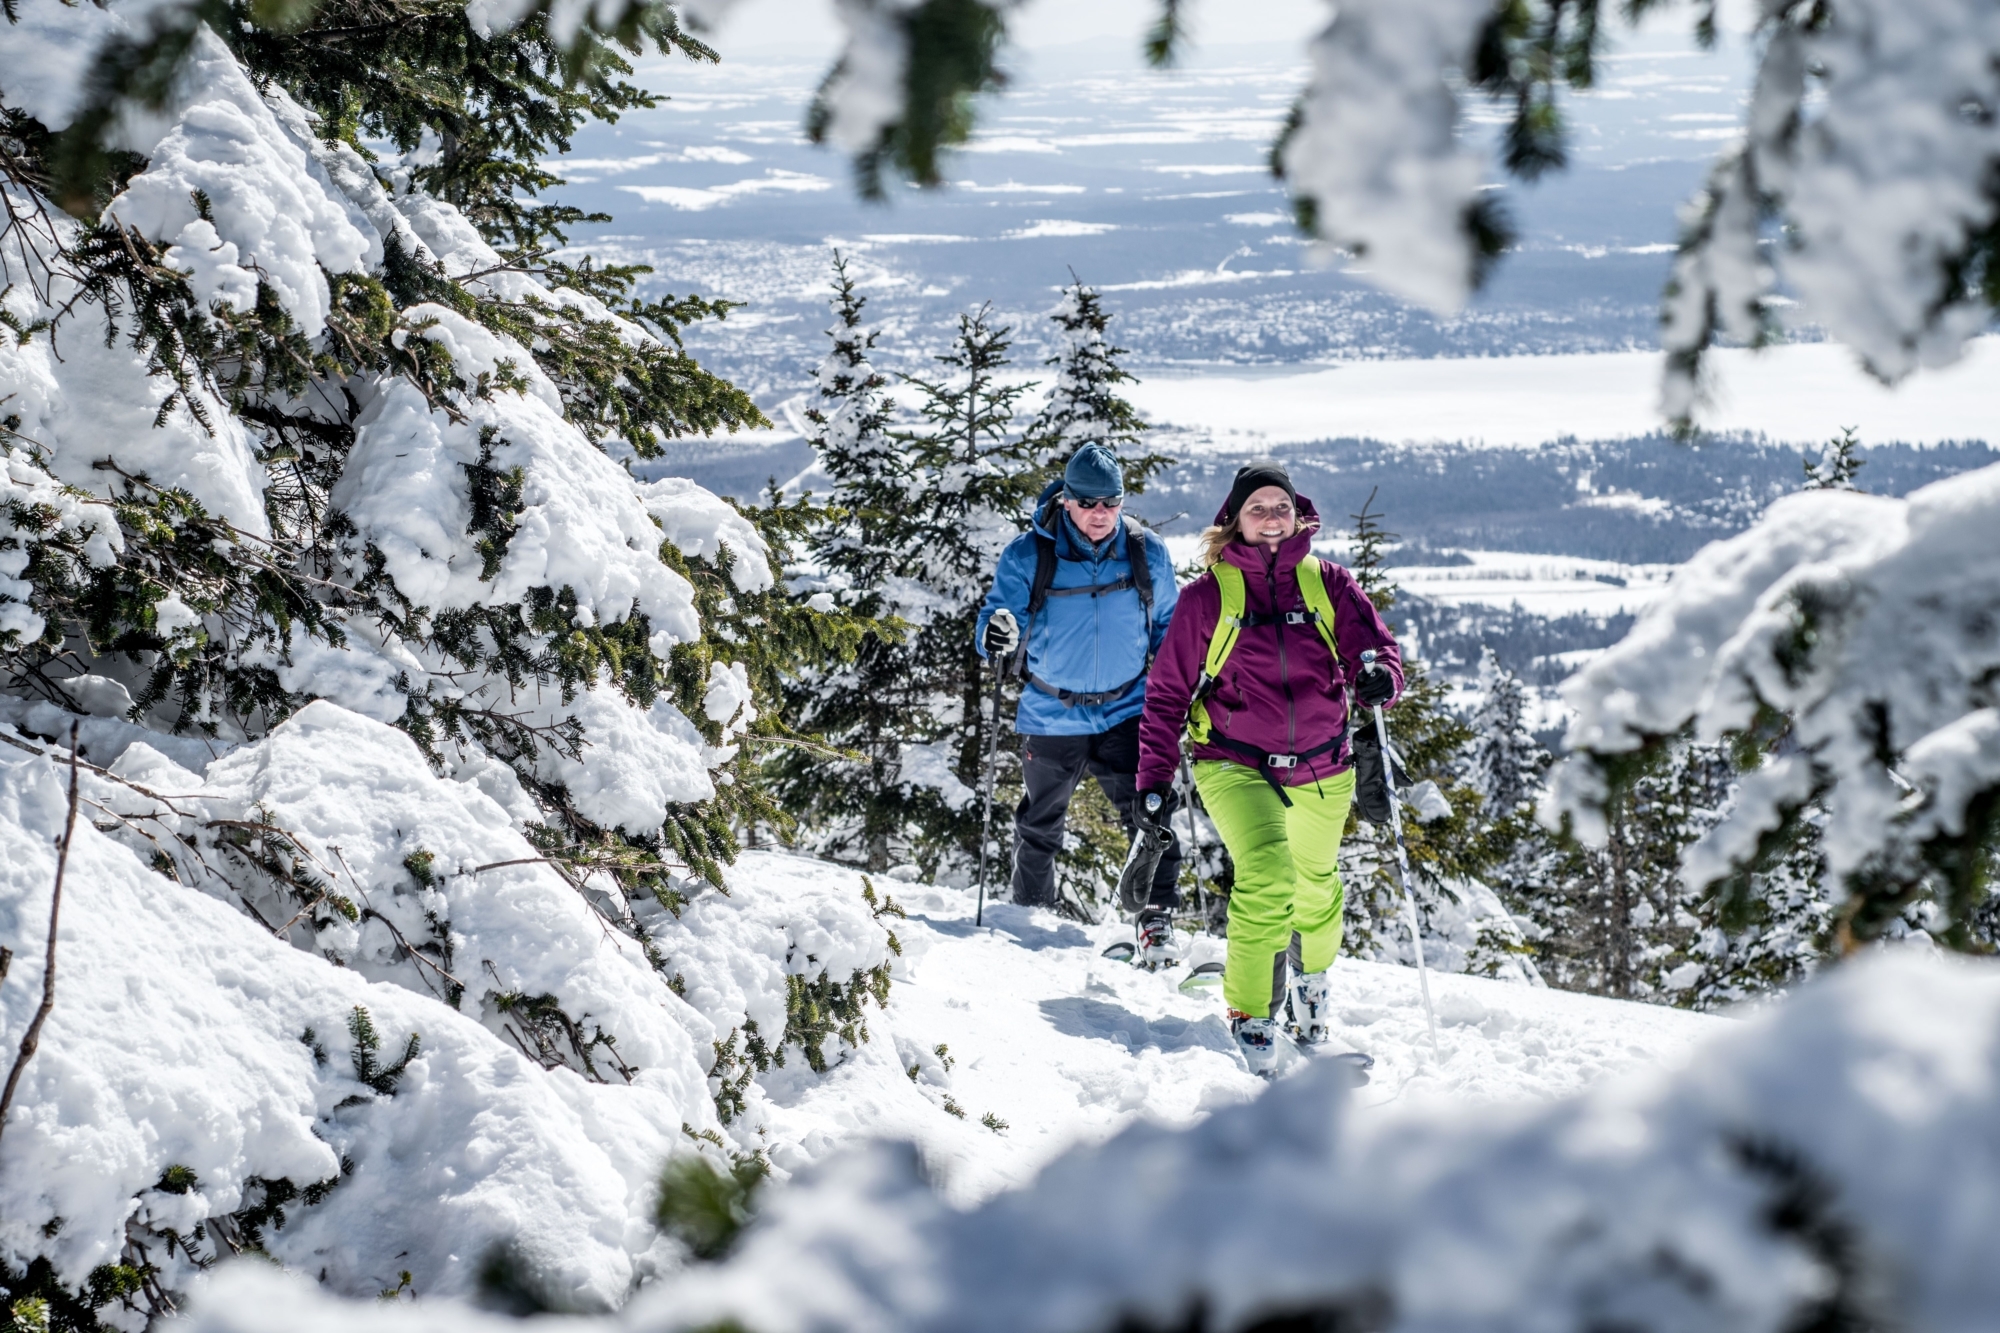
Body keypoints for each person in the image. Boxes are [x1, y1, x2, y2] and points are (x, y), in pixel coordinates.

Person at [1135, 461, 1403, 1077]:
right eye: (1258, 507)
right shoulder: (1209, 597)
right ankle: (1251, 1012)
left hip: (1323, 762)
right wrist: (1152, 781)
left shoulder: (1329, 583)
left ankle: (1311, 985)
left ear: (1297, 513)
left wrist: (1379, 677)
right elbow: (1167, 695)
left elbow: (1379, 651)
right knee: (1267, 876)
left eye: (1280, 505)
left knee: (1316, 886)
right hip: (1235, 763)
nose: (1272, 516)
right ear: (1234, 520)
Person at [976, 443, 1181, 956]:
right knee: (1040, 823)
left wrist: (1182, 678)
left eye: (1110, 502)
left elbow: (1168, 628)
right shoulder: (1031, 553)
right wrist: (996, 633)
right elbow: (998, 617)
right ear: (1066, 500)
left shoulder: (1145, 551)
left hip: (1126, 709)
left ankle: (1155, 921)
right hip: (1052, 711)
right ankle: (1031, 915)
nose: (1100, 513)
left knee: (1149, 813)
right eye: (1088, 502)